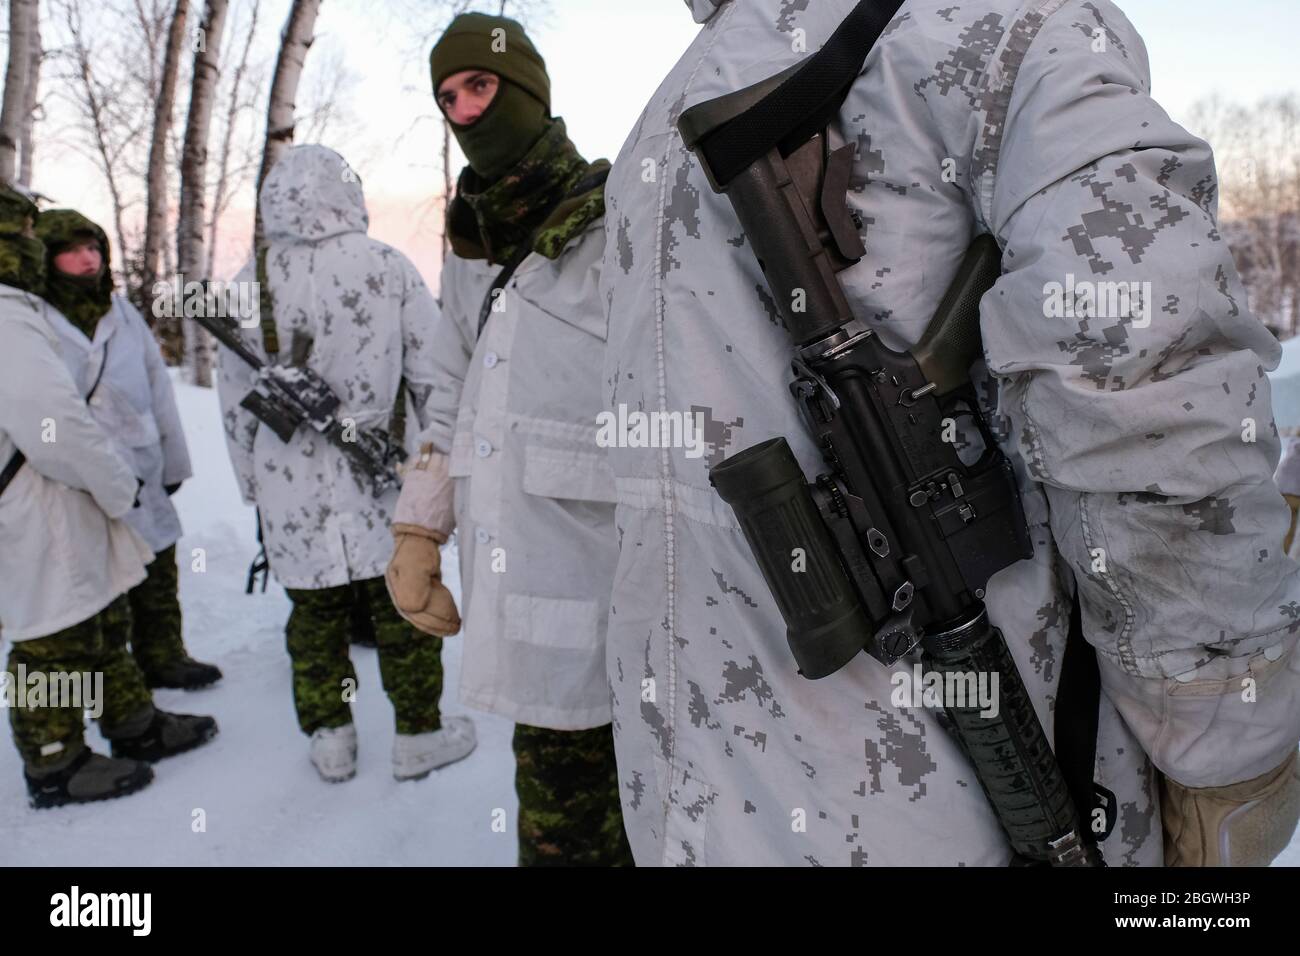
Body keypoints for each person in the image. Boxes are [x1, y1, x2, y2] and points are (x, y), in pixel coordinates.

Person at [597, 0, 1300, 865]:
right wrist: (1227, 741)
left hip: (696, 808)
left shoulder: (655, 132)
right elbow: (1137, 369)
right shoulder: (1003, 22)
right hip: (948, 810)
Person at [386, 12, 632, 865]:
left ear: (526, 89)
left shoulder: (616, 218)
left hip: (616, 578)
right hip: (522, 577)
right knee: (556, 813)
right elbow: (452, 386)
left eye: (481, 87)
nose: (465, 113)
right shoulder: (469, 243)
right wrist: (420, 524)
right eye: (448, 98)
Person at [216, 144, 475, 783]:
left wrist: (252, 483)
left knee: (313, 619)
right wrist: (440, 469)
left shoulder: (249, 282)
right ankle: (418, 735)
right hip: (384, 480)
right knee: (402, 607)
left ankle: (332, 738)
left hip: (288, 487)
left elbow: (233, 403)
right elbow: (433, 377)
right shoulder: (387, 268)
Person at [0, 185, 218, 808]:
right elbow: (55, 425)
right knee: (52, 639)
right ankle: (55, 763)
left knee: (101, 617)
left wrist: (155, 470)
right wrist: (115, 484)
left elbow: (156, 389)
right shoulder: (14, 313)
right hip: (43, 499)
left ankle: (132, 723)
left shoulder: (100, 312)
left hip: (73, 495)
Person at [34, 208, 222, 690]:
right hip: (77, 477)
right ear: (48, 259)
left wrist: (174, 462)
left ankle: (164, 657)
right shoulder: (33, 320)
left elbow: (160, 390)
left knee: (158, 570)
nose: (87, 259)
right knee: (102, 582)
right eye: (73, 251)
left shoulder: (122, 314)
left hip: (142, 463)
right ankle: (115, 685)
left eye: (93, 248)